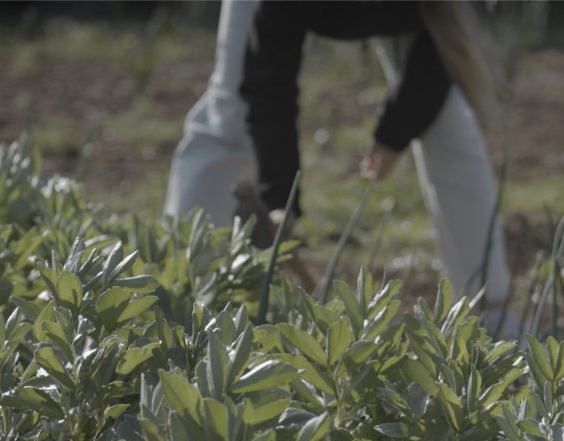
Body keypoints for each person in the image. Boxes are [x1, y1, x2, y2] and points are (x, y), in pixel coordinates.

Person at [165, 0, 518, 337]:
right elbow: (267, 81)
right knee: (232, 112)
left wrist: (395, 130)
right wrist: (280, 199)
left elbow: (443, 50)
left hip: (421, 13)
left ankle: (493, 315)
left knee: (446, 121)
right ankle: (179, 296)